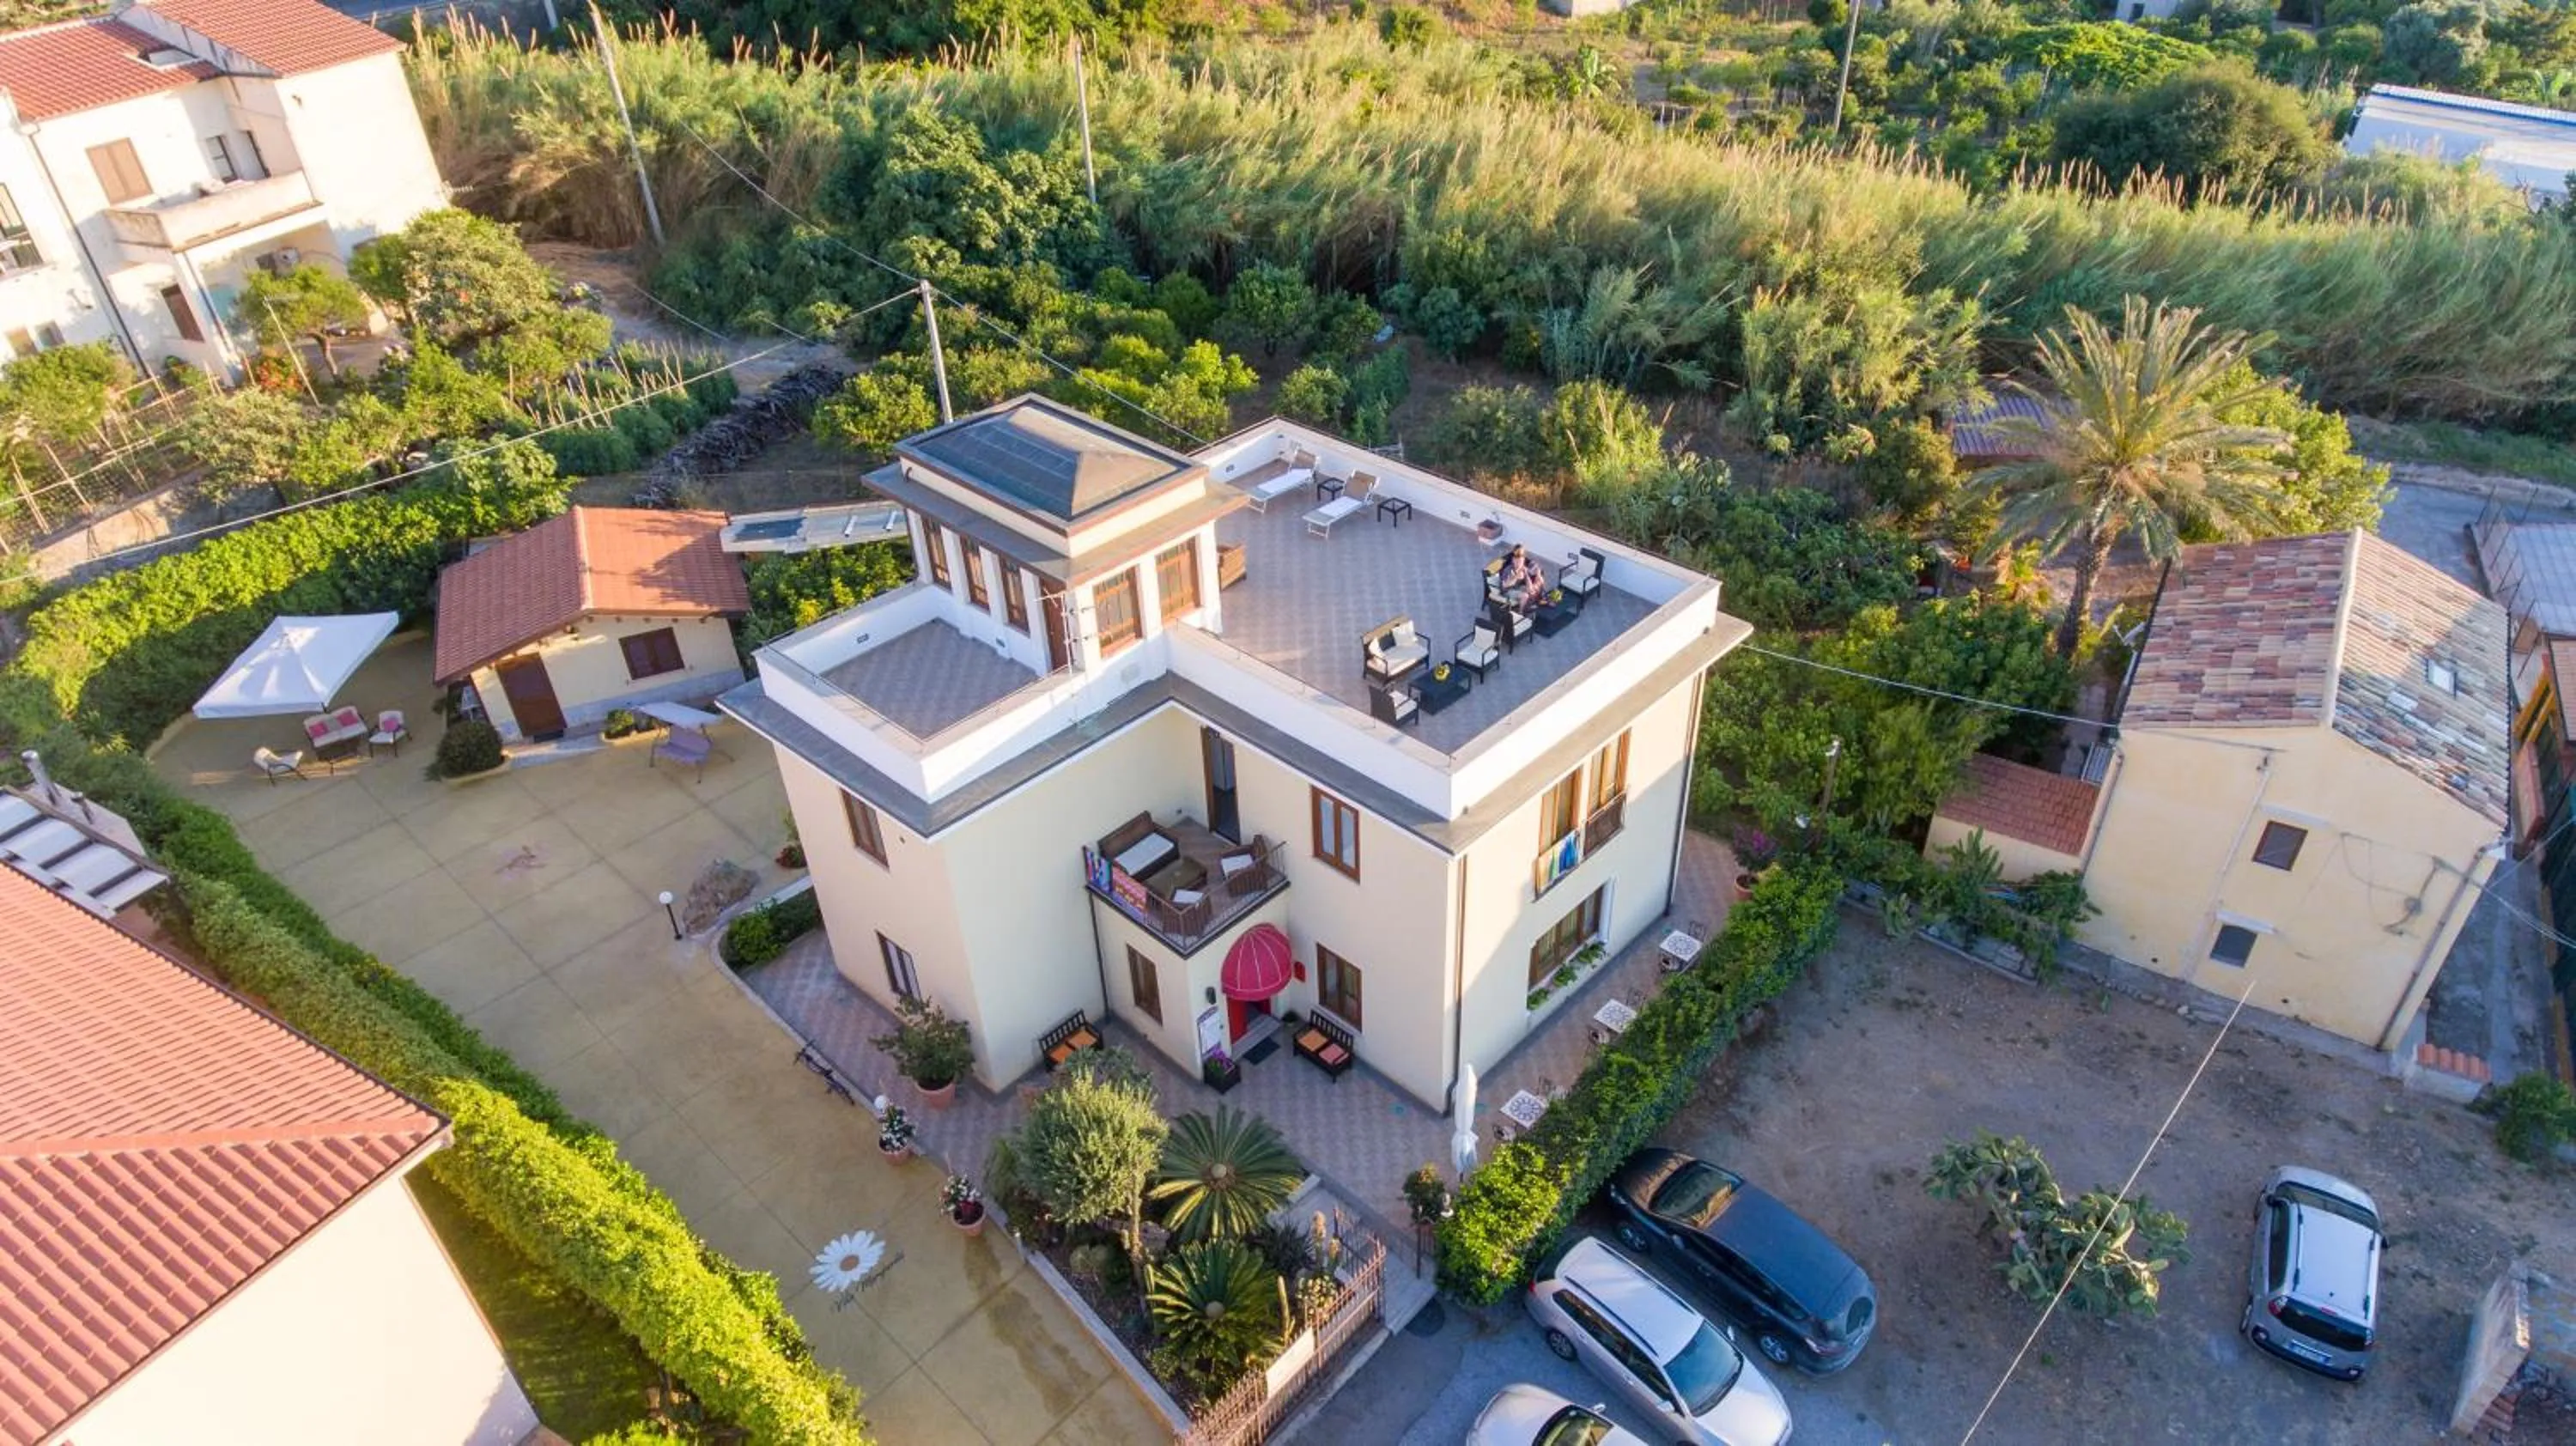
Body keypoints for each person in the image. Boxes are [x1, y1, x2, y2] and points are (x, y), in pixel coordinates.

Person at [1498, 543, 1546, 612]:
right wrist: (1516, 576)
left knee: (1533, 588)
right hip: (1507, 591)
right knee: (1525, 595)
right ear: (1513, 560)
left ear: (1523, 561)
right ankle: (1521, 612)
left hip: (1517, 588)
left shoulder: (1523, 569)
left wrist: (1527, 575)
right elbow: (1505, 585)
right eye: (1517, 562)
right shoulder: (1509, 570)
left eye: (1520, 562)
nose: (1519, 564)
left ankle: (1534, 604)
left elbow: (1529, 584)